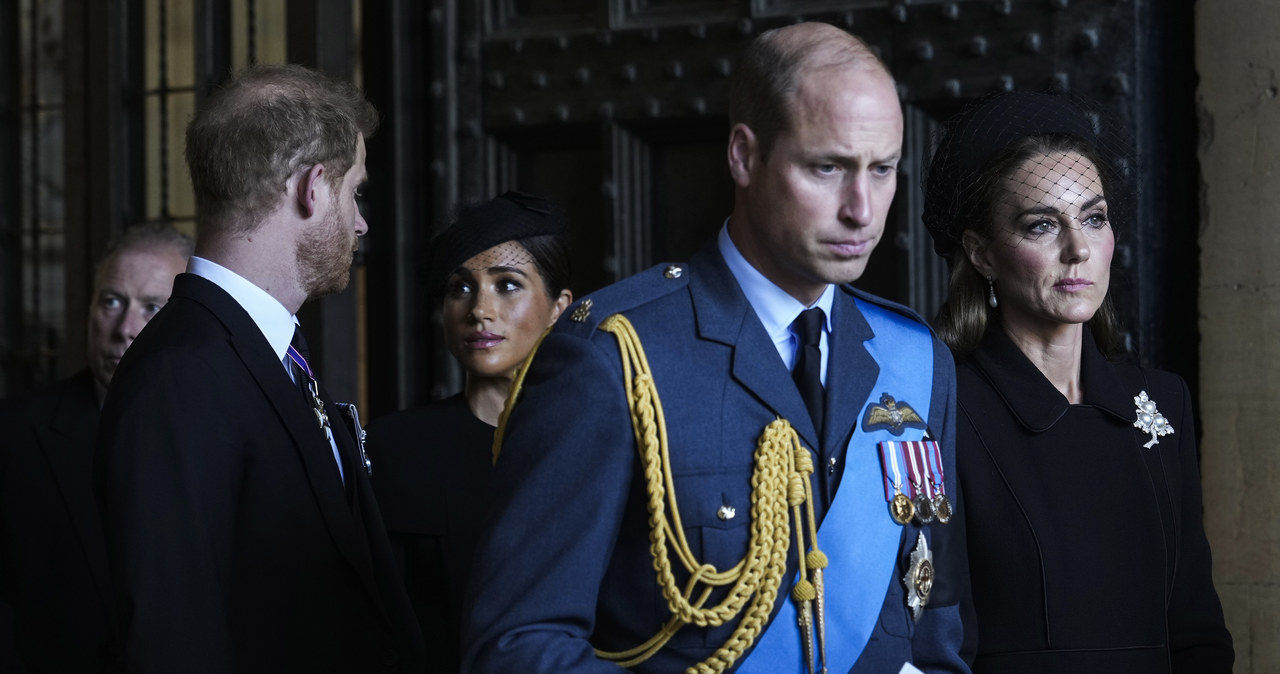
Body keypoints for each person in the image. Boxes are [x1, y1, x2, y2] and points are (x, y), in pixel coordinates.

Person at [461, 22, 969, 673]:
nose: (862, 210)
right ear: (744, 157)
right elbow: (515, 645)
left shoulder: (916, 359)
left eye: (883, 170)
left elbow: (936, 626)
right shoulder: (614, 358)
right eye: (828, 168)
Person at [95, 64, 424, 672]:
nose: (360, 222)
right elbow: (173, 638)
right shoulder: (182, 373)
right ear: (313, 187)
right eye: (356, 193)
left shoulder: (261, 351)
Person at [921, 89, 1233, 672]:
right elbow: (937, 638)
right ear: (982, 253)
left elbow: (1196, 629)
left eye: (1094, 218)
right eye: (1042, 225)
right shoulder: (942, 409)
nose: (1078, 249)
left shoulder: (1161, 402)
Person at [366, 190, 573, 671]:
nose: (479, 309)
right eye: (460, 288)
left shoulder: (596, 446)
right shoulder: (393, 451)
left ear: (559, 307)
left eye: (507, 285)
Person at [0, 224, 190, 673]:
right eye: (111, 301)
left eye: (152, 308)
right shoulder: (14, 435)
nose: (125, 329)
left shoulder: (224, 435)